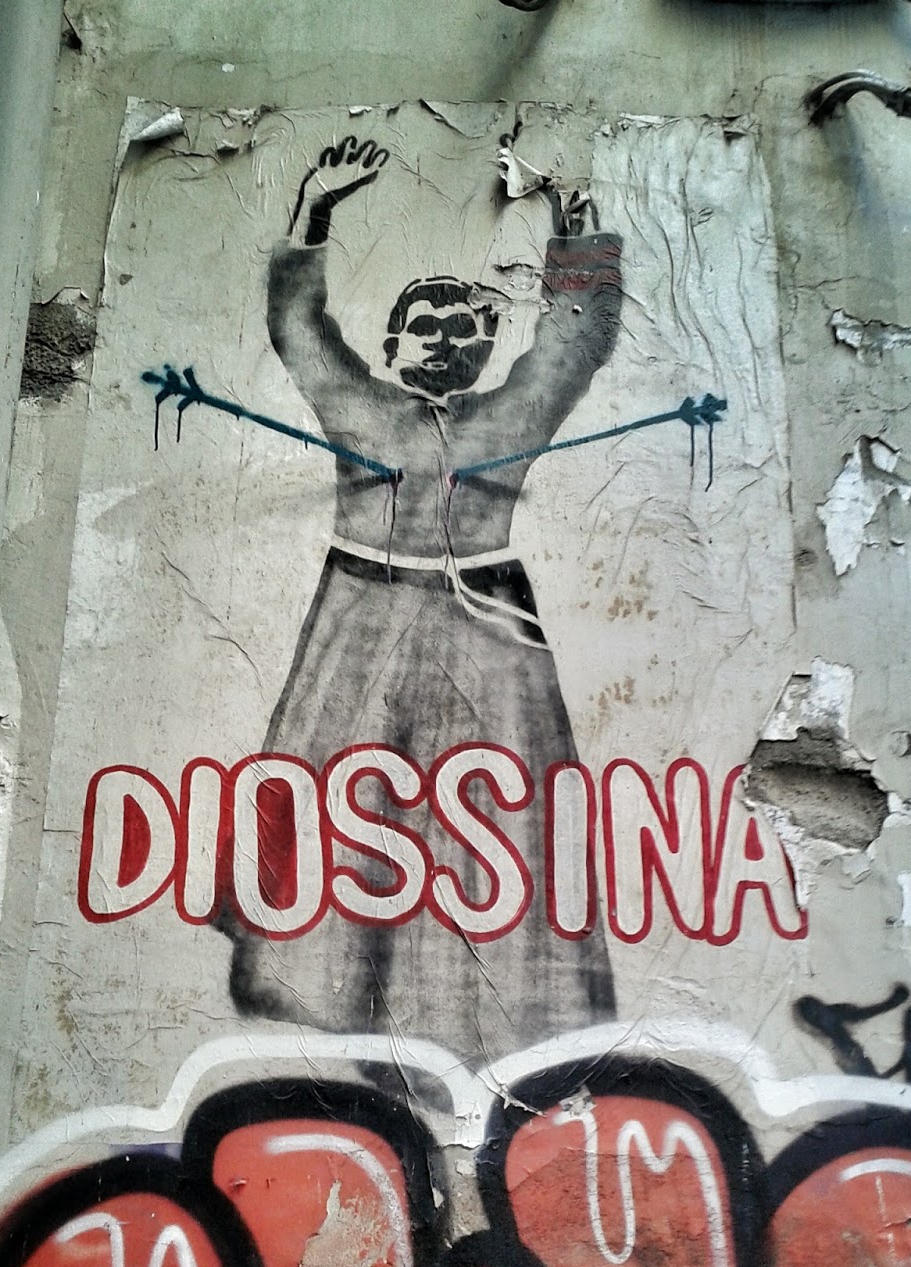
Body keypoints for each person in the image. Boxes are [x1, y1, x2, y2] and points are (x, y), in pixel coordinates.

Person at [224, 134, 622, 1065]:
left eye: (467, 324)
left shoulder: (509, 418)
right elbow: (300, 333)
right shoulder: (359, 410)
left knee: (483, 824)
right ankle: (340, 1015)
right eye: (427, 322)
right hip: (363, 624)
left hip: (488, 637)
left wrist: (577, 241)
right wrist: (313, 214)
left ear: (487, 348)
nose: (448, 336)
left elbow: (570, 348)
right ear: (394, 347)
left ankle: (472, 1023)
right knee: (353, 816)